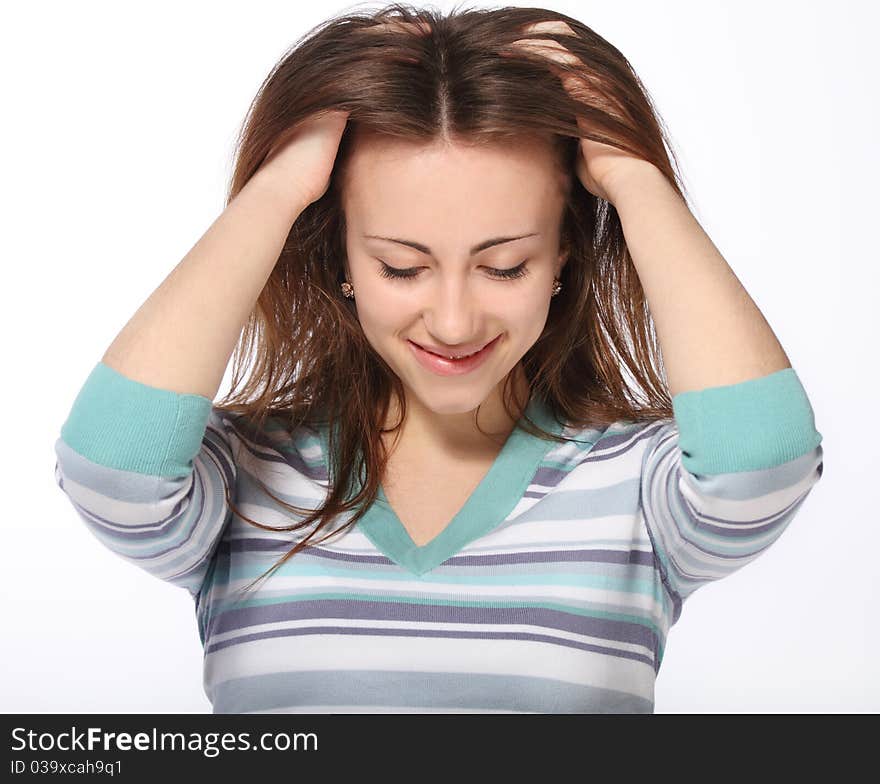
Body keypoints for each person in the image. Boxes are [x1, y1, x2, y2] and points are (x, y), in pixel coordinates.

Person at [53, 5, 823, 713]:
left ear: (561, 257)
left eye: (505, 266)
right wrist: (281, 186)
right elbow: (113, 471)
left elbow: (759, 465)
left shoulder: (634, 487)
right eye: (401, 267)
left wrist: (635, 179)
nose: (453, 322)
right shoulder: (245, 475)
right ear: (342, 258)